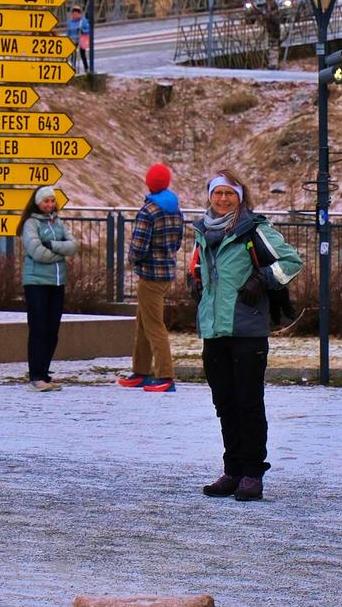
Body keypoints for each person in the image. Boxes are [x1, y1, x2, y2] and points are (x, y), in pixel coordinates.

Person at [188, 171, 302, 502]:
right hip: (214, 329)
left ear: (240, 196)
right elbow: (202, 269)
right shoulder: (203, 231)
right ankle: (233, 471)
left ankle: (252, 473)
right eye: (218, 193)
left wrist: (263, 278)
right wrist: (194, 281)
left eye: (230, 194)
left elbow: (291, 261)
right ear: (210, 196)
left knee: (248, 403)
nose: (223, 199)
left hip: (247, 330)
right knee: (225, 403)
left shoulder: (253, 228)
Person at [119, 162, 184, 392]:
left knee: (154, 326)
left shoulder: (148, 211)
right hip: (166, 272)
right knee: (143, 324)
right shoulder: (175, 209)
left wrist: (133, 261)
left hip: (150, 276)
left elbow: (138, 246)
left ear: (149, 183)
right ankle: (141, 371)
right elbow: (178, 242)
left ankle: (165, 376)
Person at [18, 185, 78, 391]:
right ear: (37, 202)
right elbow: (36, 252)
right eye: (46, 201)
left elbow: (73, 245)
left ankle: (44, 373)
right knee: (39, 329)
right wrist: (61, 254)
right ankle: (36, 375)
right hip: (36, 283)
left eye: (52, 201)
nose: (50, 204)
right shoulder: (30, 224)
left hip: (57, 282)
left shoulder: (58, 222)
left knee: (52, 331)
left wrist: (52, 245)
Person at [64, 5, 90, 74]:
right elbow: (68, 31)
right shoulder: (70, 22)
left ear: (79, 14)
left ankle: (86, 68)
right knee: (73, 53)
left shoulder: (83, 21)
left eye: (76, 14)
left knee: (82, 53)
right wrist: (67, 38)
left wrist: (82, 30)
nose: (74, 16)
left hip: (81, 39)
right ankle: (73, 67)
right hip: (73, 39)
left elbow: (88, 29)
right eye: (73, 14)